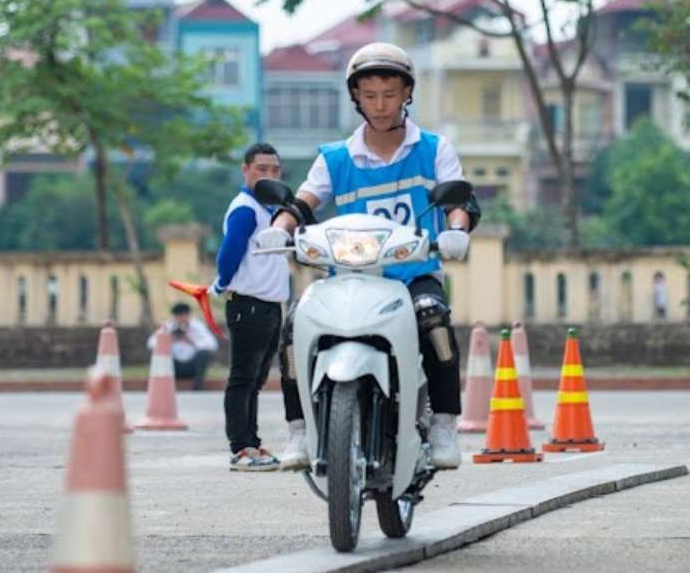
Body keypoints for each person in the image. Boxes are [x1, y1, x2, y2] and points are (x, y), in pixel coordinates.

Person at [257, 42, 480, 471]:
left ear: (407, 94)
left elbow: (460, 200)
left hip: (413, 273)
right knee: (293, 325)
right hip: (349, 277)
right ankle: (299, 430)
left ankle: (444, 425)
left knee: (433, 316)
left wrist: (455, 231)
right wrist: (278, 229)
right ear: (355, 97)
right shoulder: (335, 158)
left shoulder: (434, 148)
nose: (380, 105)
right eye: (370, 95)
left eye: (390, 94)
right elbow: (304, 202)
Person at [210, 143, 291, 471]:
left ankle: (253, 443)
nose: (269, 175)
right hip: (249, 306)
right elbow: (229, 252)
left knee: (256, 380)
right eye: (261, 169)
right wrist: (221, 282)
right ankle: (240, 448)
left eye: (274, 169)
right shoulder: (246, 208)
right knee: (242, 378)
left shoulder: (273, 211)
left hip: (270, 307)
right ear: (245, 171)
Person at [147, 302, 218, 391]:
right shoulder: (167, 327)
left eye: (184, 315)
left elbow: (212, 344)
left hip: (193, 365)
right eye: (178, 316)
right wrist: (168, 340)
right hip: (173, 366)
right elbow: (151, 343)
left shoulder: (198, 326)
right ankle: (165, 388)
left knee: (204, 354)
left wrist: (191, 341)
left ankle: (196, 387)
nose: (181, 319)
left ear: (188, 315)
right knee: (158, 354)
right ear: (174, 316)